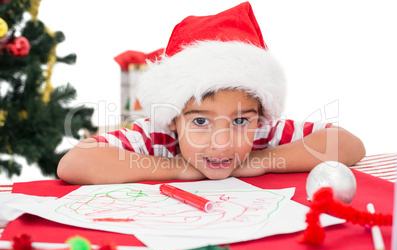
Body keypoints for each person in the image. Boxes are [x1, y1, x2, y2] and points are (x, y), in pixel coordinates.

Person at [57, 2, 365, 185]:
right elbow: (73, 163)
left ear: (259, 118)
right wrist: (178, 167)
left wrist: (264, 159)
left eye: (240, 121)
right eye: (201, 123)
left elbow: (350, 146)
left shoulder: (264, 135)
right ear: (174, 119)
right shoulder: (156, 136)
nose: (223, 142)